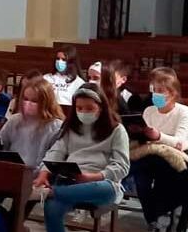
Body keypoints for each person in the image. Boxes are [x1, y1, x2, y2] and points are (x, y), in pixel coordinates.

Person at [33, 84, 130, 232]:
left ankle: (49, 193)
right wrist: (43, 173)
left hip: (100, 182)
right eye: (79, 108)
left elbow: (122, 166)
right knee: (52, 208)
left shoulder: (117, 130)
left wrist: (92, 177)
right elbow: (55, 151)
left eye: (90, 108)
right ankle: (52, 193)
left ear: (101, 108)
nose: (84, 112)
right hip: (70, 180)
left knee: (104, 189)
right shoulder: (71, 126)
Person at [130, 68, 188, 232]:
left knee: (157, 170)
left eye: (160, 91)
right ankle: (153, 220)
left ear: (173, 93)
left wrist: (158, 136)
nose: (156, 95)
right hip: (151, 153)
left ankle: (159, 216)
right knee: (141, 177)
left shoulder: (183, 111)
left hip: (179, 154)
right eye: (154, 90)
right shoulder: (149, 111)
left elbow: (180, 142)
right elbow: (147, 141)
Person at [0, 77, 64, 172]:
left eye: (34, 101)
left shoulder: (56, 126)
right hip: (11, 171)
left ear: (46, 102)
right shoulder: (14, 120)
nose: (28, 103)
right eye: (25, 99)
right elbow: (1, 146)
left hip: (39, 176)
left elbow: (54, 158)